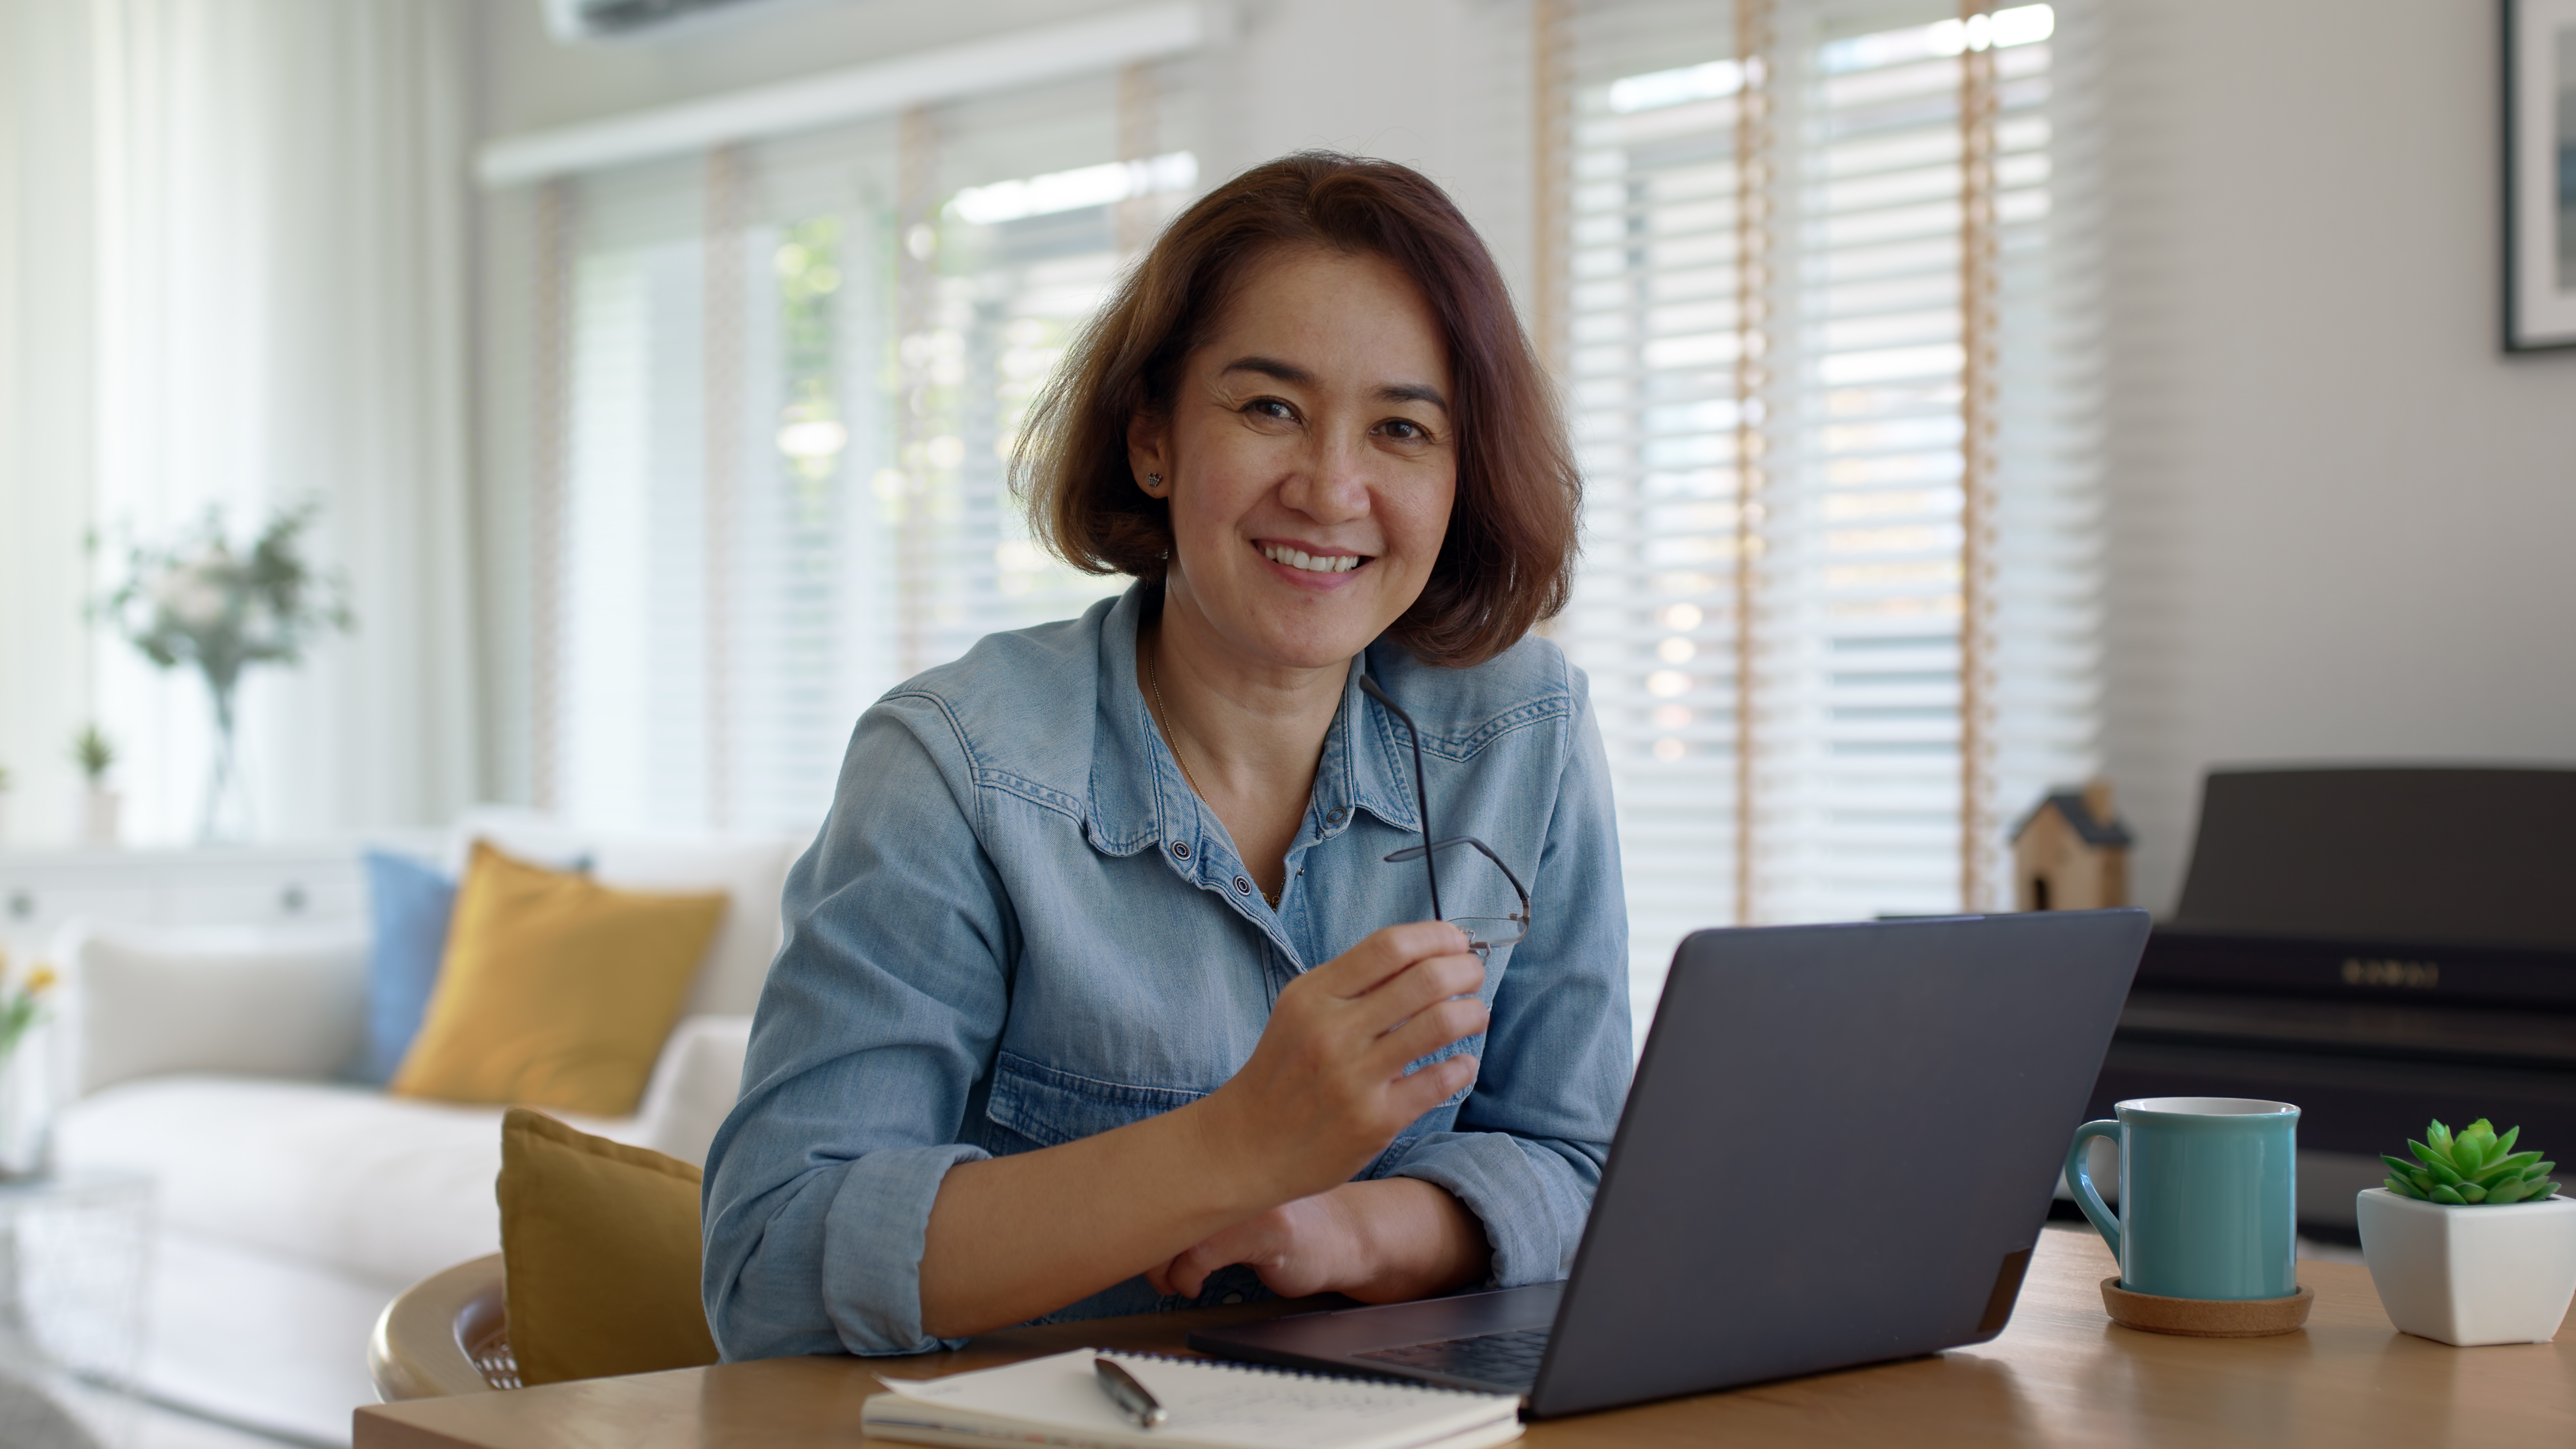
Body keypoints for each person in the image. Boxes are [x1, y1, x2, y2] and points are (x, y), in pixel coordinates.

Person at [701, 152, 1631, 1359]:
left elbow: (1585, 1166)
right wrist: (1236, 1148)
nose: (1332, 488)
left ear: (1460, 477)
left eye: (1402, 429)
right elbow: (773, 1271)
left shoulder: (1525, 732)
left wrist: (1347, 1230)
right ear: (1153, 441)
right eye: (1269, 409)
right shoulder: (955, 769)